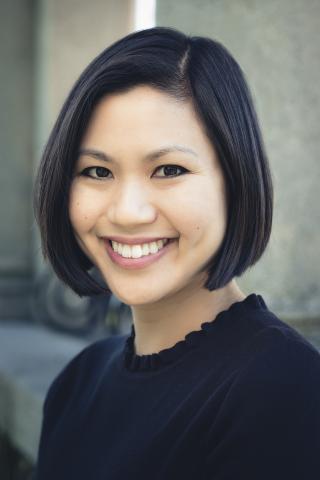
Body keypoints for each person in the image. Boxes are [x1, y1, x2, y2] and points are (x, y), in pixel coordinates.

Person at [33, 27, 320, 479]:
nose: (127, 212)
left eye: (169, 169)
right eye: (96, 171)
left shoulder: (284, 387)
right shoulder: (78, 382)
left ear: (236, 180)